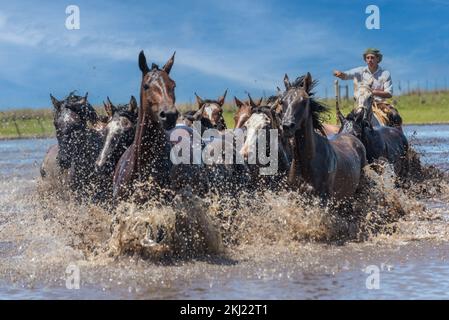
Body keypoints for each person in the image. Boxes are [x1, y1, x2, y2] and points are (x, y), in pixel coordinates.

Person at [334, 48, 402, 128]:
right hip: (362, 104)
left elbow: (389, 93)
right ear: (365, 60)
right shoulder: (360, 71)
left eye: (372, 58)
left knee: (395, 115)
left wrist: (371, 92)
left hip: (380, 104)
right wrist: (341, 74)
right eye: (368, 58)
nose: (370, 60)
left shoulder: (385, 73)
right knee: (349, 119)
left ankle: (398, 137)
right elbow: (347, 75)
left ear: (377, 59)